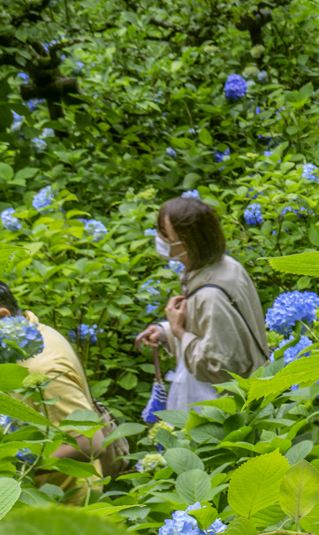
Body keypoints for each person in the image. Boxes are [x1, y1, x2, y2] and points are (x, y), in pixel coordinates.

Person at [134, 197, 270, 409]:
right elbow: (218, 337)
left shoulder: (210, 296)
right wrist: (166, 332)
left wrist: (179, 332)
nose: (159, 238)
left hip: (234, 411)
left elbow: (220, 366)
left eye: (164, 233)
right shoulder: (225, 266)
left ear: (187, 242)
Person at [0, 282, 127, 480]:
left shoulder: (42, 367)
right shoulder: (30, 331)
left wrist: (9, 466)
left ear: (3, 317)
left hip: (59, 500)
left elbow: (89, 442)